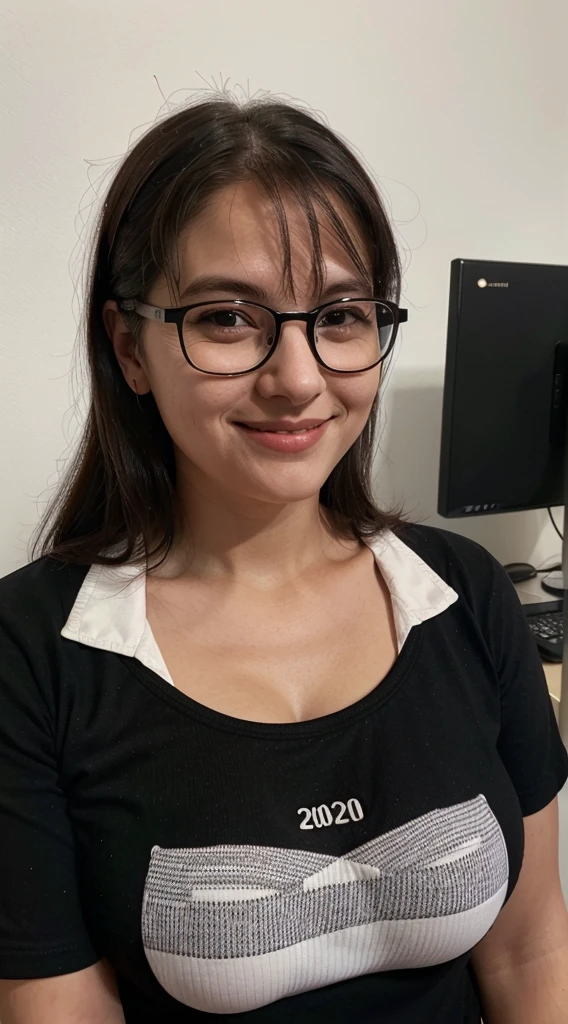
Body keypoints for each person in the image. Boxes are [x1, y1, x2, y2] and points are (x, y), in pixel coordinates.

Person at [0, 96, 567, 1024]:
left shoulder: (463, 592)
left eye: (342, 315)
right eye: (228, 317)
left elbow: (534, 944)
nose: (299, 378)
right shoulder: (31, 654)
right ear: (128, 347)